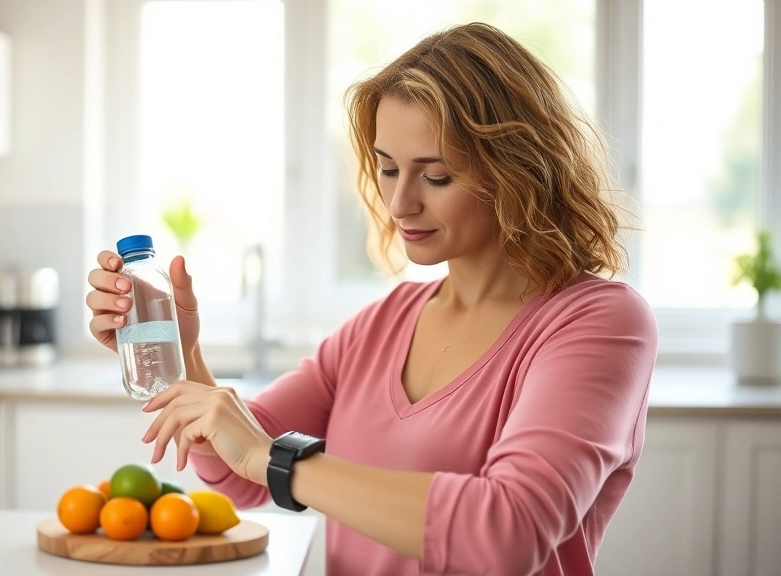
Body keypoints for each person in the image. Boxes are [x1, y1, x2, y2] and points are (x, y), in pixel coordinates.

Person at [86, 22, 657, 576]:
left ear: (518, 172)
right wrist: (181, 355)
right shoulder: (382, 324)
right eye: (387, 169)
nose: (399, 204)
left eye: (435, 177)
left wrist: (277, 460)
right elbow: (239, 470)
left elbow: (510, 531)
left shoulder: (600, 322)